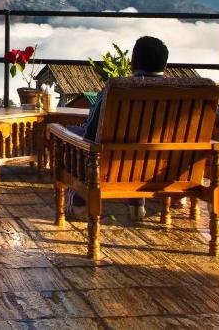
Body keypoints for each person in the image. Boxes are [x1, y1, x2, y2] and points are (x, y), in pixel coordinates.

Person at [67, 36, 169, 222]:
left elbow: (91, 133)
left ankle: (79, 204)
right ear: (164, 66)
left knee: (72, 136)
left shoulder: (115, 90)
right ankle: (137, 205)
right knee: (139, 149)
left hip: (111, 165)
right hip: (161, 166)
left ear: (132, 64)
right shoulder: (183, 93)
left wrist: (70, 131)